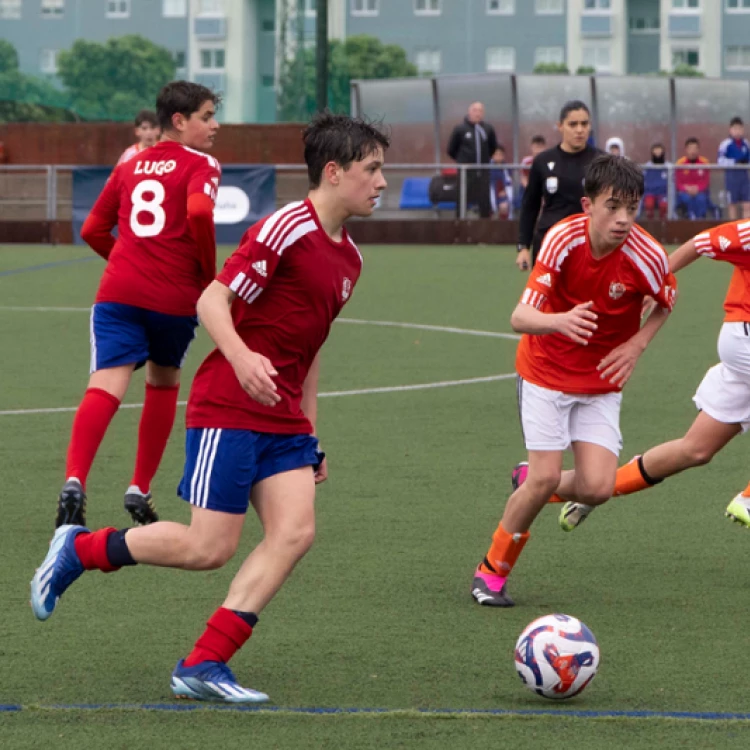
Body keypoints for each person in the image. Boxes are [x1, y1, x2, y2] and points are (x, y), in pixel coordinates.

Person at [30, 112, 390, 704]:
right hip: (229, 403)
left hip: (284, 421)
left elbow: (310, 349)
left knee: (295, 533)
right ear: (334, 171)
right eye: (372, 168)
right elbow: (212, 301)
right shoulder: (285, 230)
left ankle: (204, 662)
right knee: (209, 548)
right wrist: (244, 359)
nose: (381, 182)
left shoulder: (349, 259)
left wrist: (311, 434)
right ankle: (80, 549)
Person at [470, 155, 677, 608]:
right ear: (587, 204)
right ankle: (491, 570)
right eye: (612, 206)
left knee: (599, 488)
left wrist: (637, 345)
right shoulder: (562, 240)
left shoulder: (648, 256)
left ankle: (531, 482)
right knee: (544, 479)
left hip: (601, 382)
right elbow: (519, 317)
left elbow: (666, 300)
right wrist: (560, 320)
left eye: (632, 208)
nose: (623, 219)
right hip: (545, 374)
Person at [56, 81, 221, 529]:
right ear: (180, 121)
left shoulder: (130, 165)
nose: (215, 126)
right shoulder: (202, 165)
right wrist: (207, 277)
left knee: (105, 385)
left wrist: (128, 260)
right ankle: (138, 488)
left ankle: (74, 481)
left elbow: (92, 228)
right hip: (173, 298)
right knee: (164, 383)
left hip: (119, 293)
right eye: (207, 116)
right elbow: (201, 214)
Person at [557, 219, 750, 531]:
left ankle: (568, 490)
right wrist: (656, 283)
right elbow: (700, 243)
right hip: (744, 337)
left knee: (695, 450)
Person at [516, 100, 601, 272]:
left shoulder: (602, 161)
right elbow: (530, 206)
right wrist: (523, 246)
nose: (579, 129)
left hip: (589, 244)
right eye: (573, 124)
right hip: (549, 243)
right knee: (546, 298)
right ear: (560, 126)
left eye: (584, 124)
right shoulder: (543, 161)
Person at [446, 101, 498, 219]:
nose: (477, 113)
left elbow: (493, 147)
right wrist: (463, 161)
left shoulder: (488, 129)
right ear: (469, 112)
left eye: (480, 111)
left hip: (483, 171)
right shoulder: (460, 129)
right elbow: (451, 149)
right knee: (462, 198)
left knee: (484, 199)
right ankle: (460, 224)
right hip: (466, 172)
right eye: (475, 110)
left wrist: (484, 160)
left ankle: (485, 225)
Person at [718, 117, 750, 221]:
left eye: (740, 129)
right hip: (731, 178)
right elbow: (720, 161)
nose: (737, 131)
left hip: (744, 178)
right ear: (730, 130)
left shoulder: (746, 144)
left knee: (747, 204)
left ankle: (746, 228)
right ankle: (734, 228)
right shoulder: (725, 144)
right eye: (735, 129)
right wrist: (735, 162)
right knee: (732, 204)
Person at [675, 137, 711, 219]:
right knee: (686, 199)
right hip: (684, 192)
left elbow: (706, 181)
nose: (693, 151)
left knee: (701, 199)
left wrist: (697, 188)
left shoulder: (704, 162)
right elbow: (678, 183)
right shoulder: (680, 163)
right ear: (686, 150)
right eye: (690, 148)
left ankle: (701, 219)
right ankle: (690, 218)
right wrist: (686, 188)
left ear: (698, 150)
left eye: (695, 148)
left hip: (699, 191)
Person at [642, 143, 669, 220]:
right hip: (650, 193)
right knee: (649, 205)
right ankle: (650, 225)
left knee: (664, 206)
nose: (657, 152)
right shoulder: (647, 167)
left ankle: (663, 224)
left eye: (659, 150)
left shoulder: (668, 167)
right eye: (655, 150)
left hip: (664, 194)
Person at [490, 145, 513, 219]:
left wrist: (504, 191)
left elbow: (508, 182)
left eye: (500, 155)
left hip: (503, 195)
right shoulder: (488, 167)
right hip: (491, 193)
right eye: (496, 154)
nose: (498, 157)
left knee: (504, 206)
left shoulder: (506, 168)